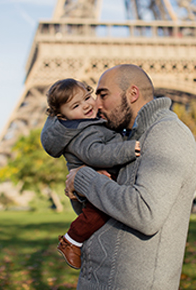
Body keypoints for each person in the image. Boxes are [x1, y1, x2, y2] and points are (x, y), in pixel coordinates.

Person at [64, 64, 196, 290]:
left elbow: (146, 212)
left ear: (132, 93)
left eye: (103, 94)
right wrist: (81, 189)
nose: (95, 103)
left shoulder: (167, 135)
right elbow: (102, 211)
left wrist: (85, 179)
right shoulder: (121, 142)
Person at [40, 78, 141, 269]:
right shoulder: (82, 131)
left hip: (99, 178)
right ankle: (72, 240)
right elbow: (95, 153)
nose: (86, 105)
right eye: (76, 105)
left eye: (87, 97)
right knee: (98, 214)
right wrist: (127, 149)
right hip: (92, 182)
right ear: (63, 117)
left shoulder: (89, 124)